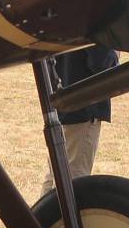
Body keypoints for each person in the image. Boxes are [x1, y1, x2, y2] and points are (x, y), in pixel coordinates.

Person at [41, 46, 118, 194]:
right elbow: (101, 62)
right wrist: (114, 55)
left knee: (54, 179)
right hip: (83, 108)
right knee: (72, 184)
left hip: (62, 104)